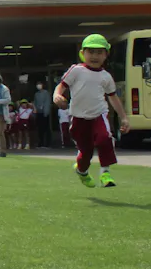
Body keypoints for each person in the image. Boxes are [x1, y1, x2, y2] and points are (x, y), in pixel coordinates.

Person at [53, 34, 130, 188]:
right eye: (91, 52)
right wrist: (57, 95)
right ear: (83, 53)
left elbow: (113, 98)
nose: (95, 56)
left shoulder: (106, 76)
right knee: (85, 153)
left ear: (106, 55)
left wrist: (124, 117)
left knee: (104, 138)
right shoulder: (76, 70)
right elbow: (61, 86)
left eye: (99, 52)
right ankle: (82, 171)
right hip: (78, 117)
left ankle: (105, 172)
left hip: (99, 114)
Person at [33, 81, 52, 148]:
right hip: (39, 113)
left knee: (46, 128)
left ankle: (47, 143)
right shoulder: (36, 94)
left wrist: (46, 113)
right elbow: (35, 103)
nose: (38, 86)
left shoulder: (46, 93)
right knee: (40, 129)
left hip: (45, 113)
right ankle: (41, 143)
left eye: (40, 84)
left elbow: (47, 103)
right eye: (37, 85)